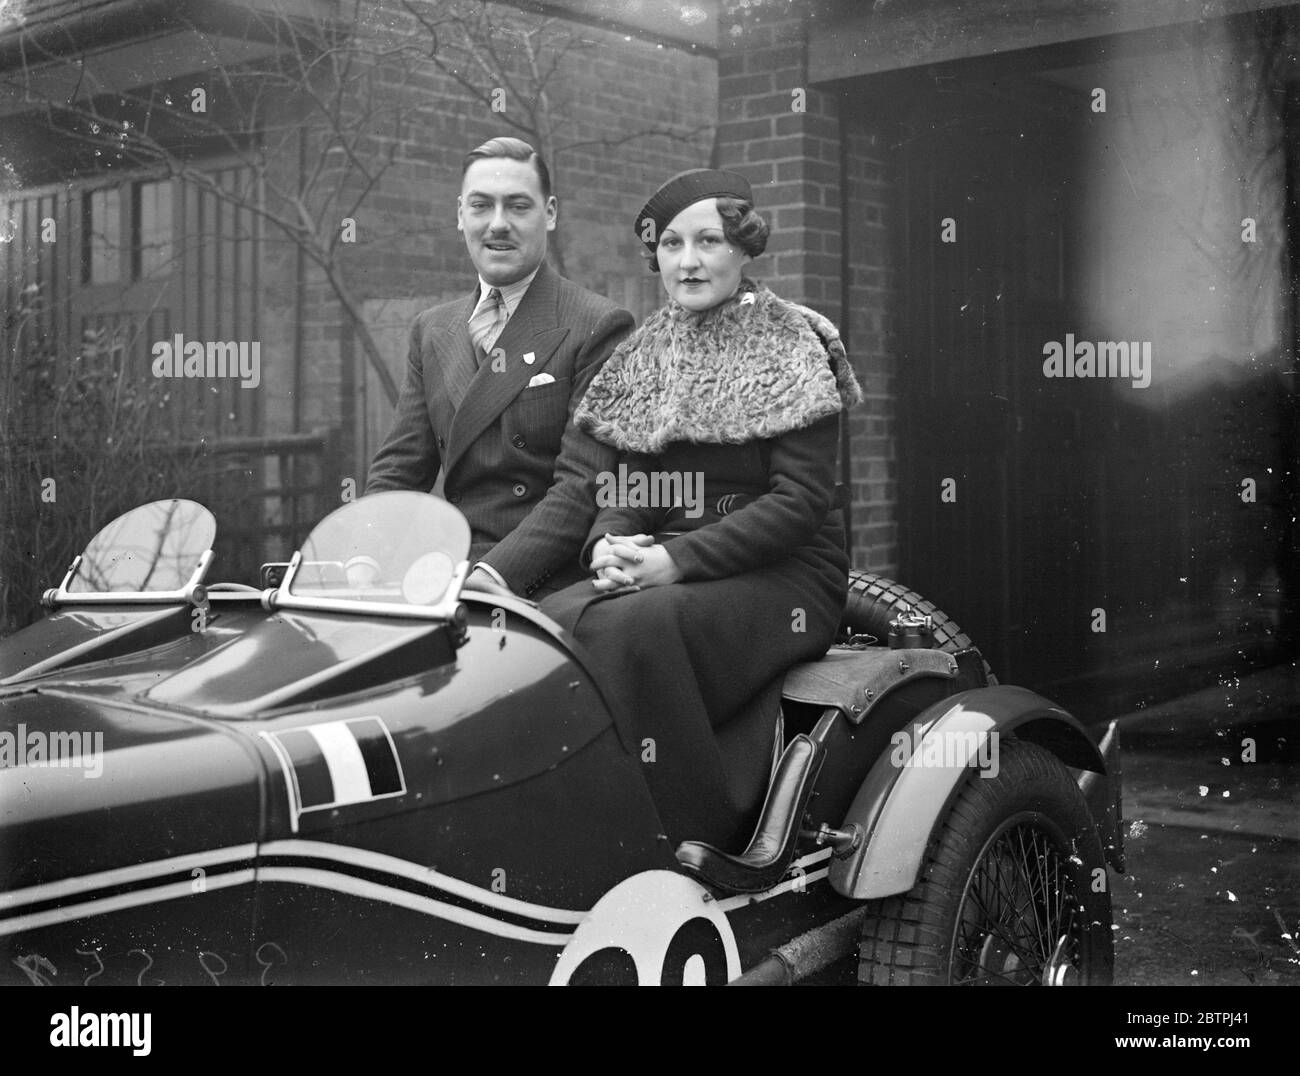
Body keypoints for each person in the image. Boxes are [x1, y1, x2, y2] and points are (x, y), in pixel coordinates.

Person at [540, 169, 862, 850]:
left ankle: (693, 831)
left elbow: (800, 502)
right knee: (555, 619)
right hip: (675, 560)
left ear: (744, 248)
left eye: (709, 241)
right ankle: (592, 819)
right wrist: (609, 544)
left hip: (788, 571)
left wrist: (674, 562)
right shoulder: (650, 351)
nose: (688, 261)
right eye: (672, 245)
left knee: (645, 624)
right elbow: (634, 484)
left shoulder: (792, 342)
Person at [366, 137, 634, 599]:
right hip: (448, 566)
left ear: (549, 213)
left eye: (517, 206)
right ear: (459, 215)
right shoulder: (432, 330)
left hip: (539, 577)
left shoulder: (597, 325)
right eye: (480, 206)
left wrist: (489, 578)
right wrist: (364, 555)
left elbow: (582, 485)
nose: (497, 225)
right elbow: (399, 469)